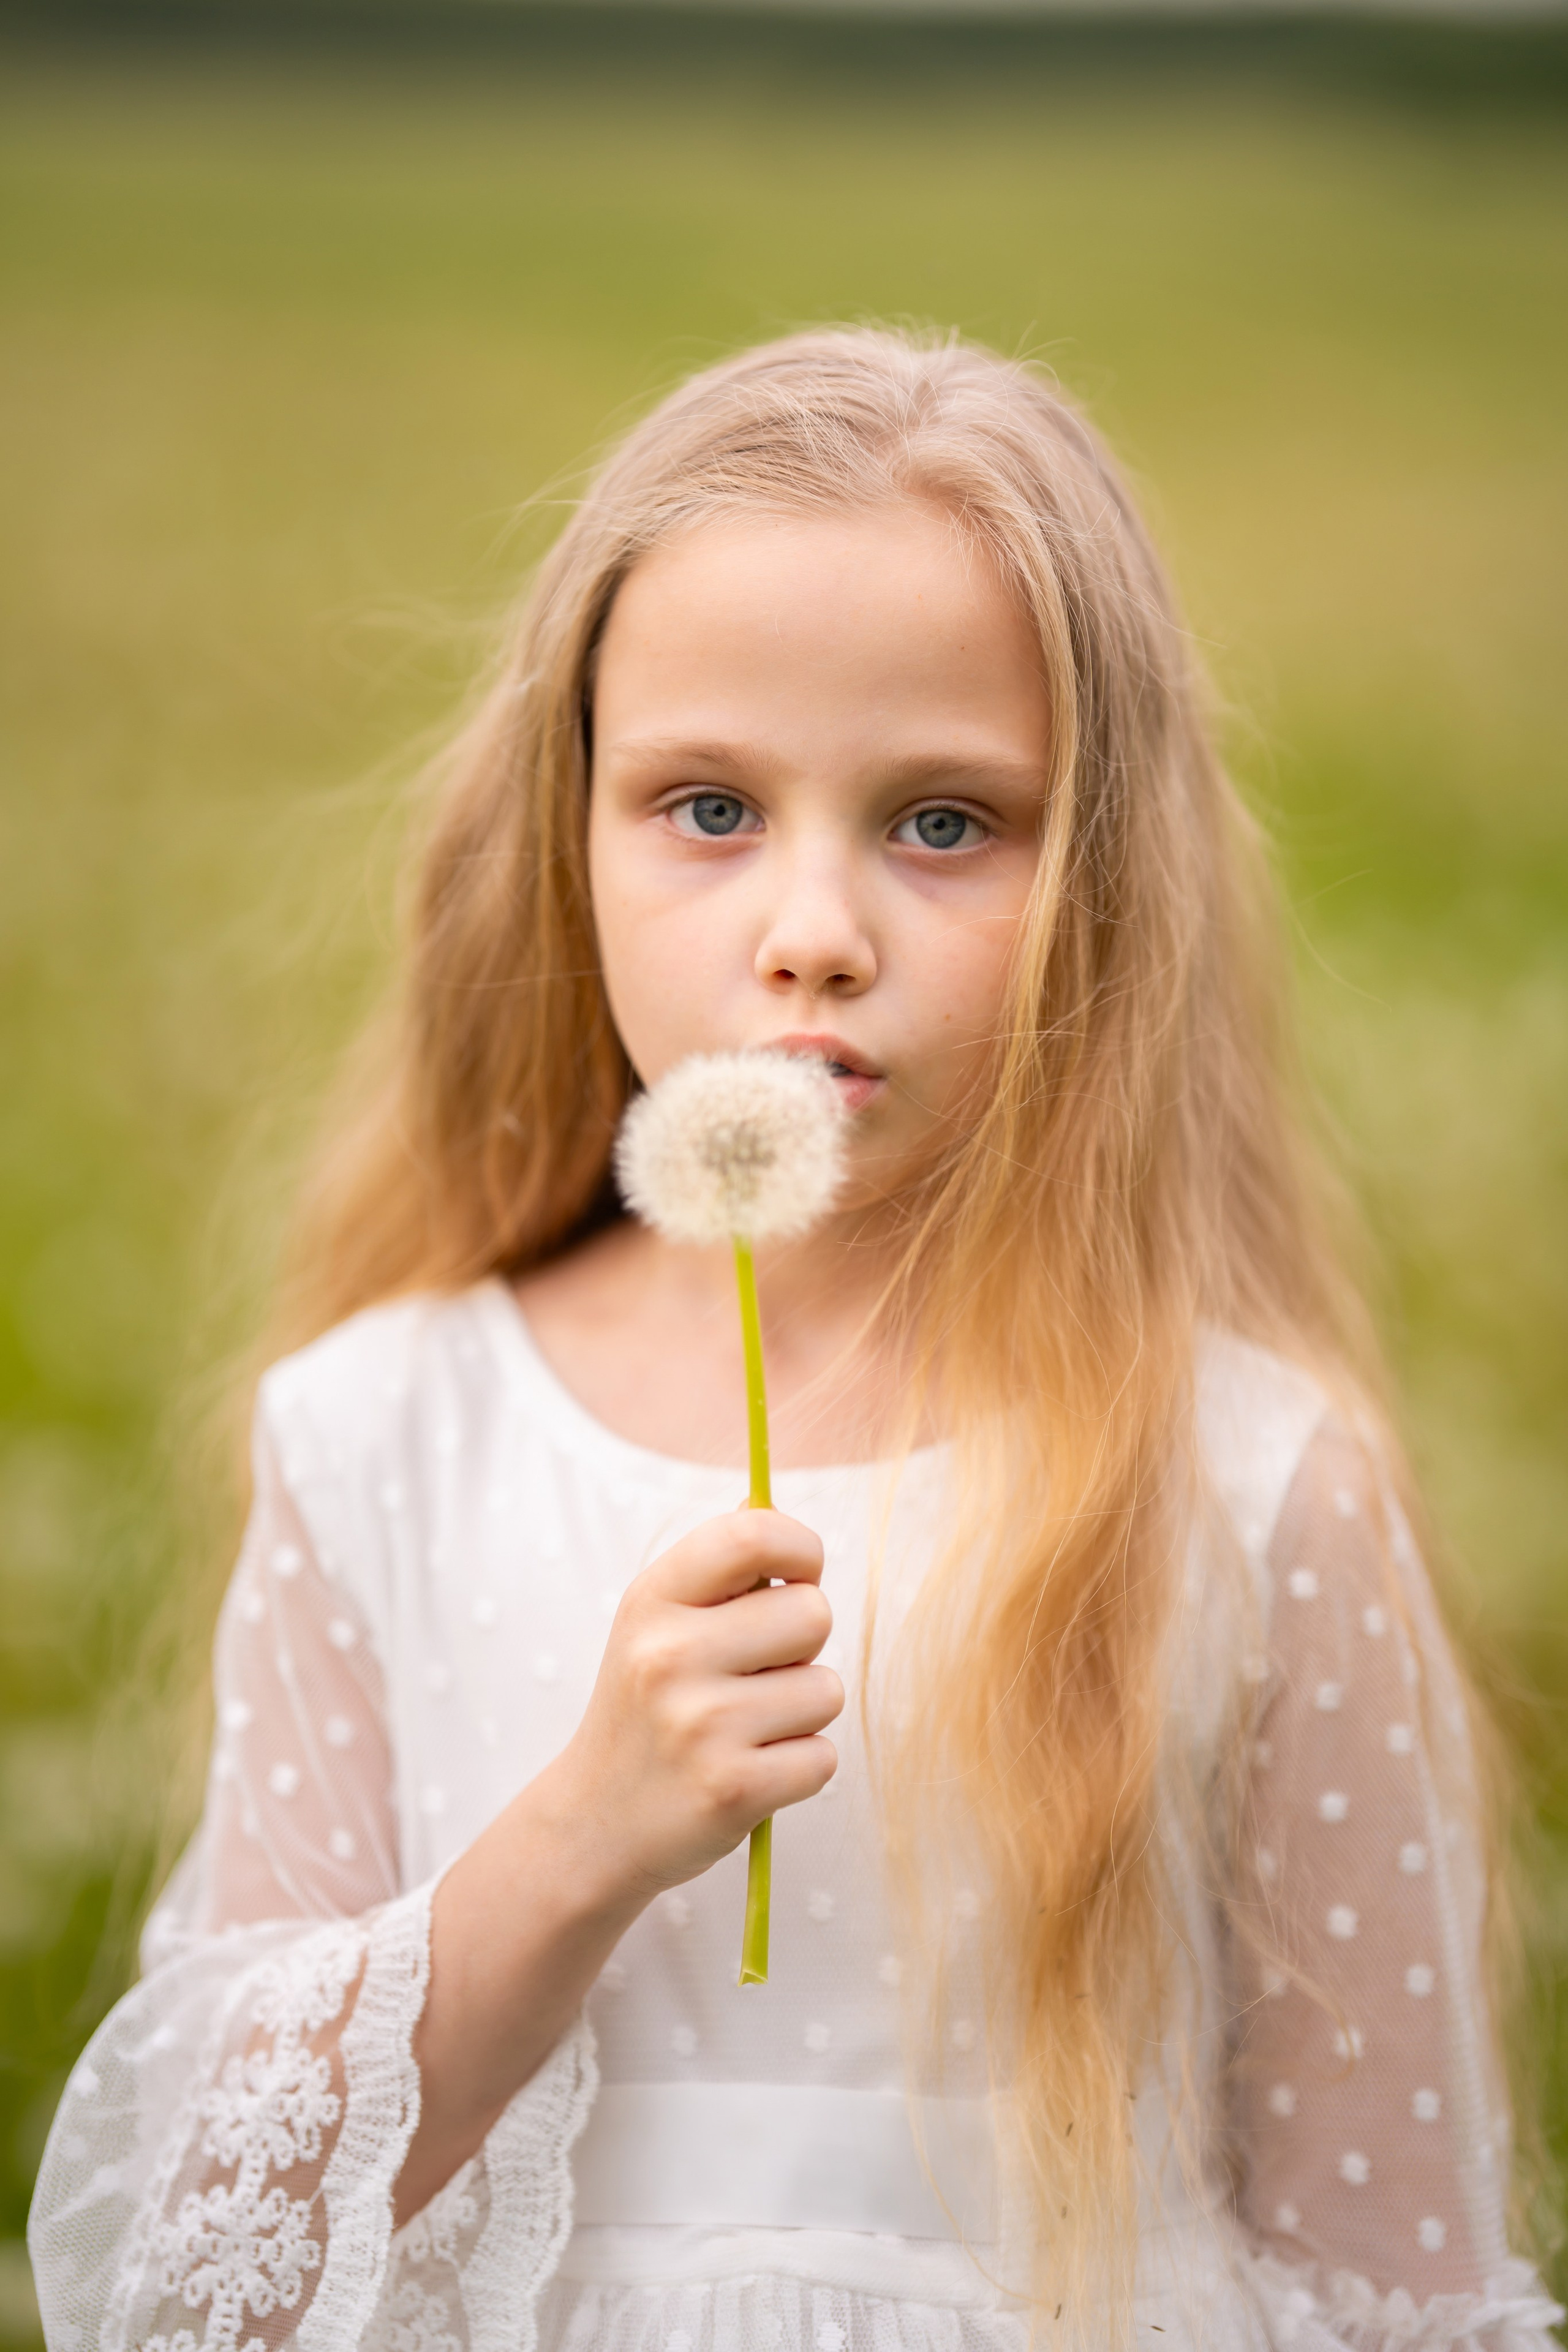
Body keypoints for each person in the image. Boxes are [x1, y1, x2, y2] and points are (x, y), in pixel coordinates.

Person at [28, 329, 1563, 2352]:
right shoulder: (388, 1430)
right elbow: (193, 2258)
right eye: (708, 806)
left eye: (946, 824)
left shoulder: (1247, 1480)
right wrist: (574, 1843)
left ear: (1108, 874)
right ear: (563, 828)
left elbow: (1404, 2281)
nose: (815, 928)